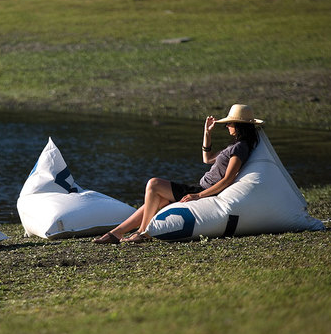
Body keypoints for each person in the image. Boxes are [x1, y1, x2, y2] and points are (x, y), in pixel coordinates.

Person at [93, 104, 264, 244]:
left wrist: (198, 195)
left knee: (154, 184)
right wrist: (207, 133)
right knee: (157, 199)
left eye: (230, 123)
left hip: (204, 189)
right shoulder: (235, 146)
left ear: (239, 125)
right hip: (201, 187)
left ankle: (143, 233)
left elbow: (228, 179)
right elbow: (207, 158)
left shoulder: (240, 147)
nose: (227, 126)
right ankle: (116, 233)